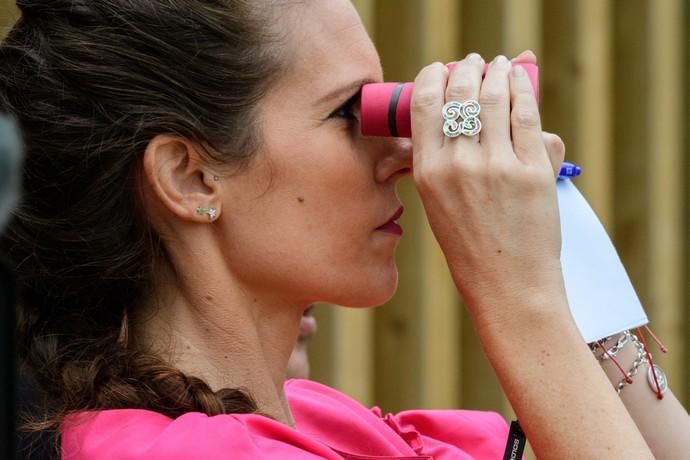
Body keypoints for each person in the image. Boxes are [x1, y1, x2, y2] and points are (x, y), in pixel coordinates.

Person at [1, 1, 688, 459]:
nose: (403, 153)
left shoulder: (319, 419)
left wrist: (552, 231)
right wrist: (514, 292)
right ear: (191, 178)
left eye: (386, 109)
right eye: (346, 115)